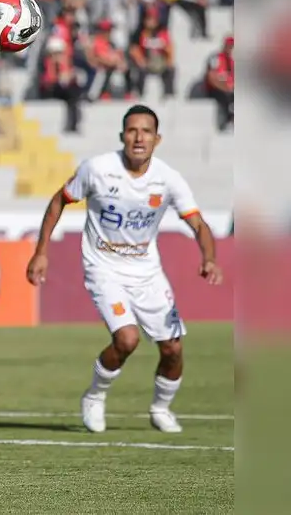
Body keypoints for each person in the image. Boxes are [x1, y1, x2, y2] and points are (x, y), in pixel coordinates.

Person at [25, 104, 223, 435]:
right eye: (132, 130)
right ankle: (95, 396)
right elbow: (60, 200)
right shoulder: (98, 169)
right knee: (127, 338)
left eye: (146, 131)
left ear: (157, 139)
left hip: (146, 272)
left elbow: (198, 223)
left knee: (173, 348)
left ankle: (161, 409)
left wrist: (210, 258)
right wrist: (41, 252)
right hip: (103, 267)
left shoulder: (168, 179)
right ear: (122, 136)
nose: (138, 137)